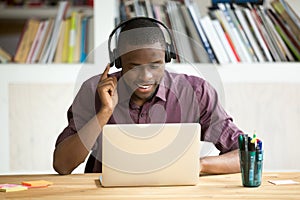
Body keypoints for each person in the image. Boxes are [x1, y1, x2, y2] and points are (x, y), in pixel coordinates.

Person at [53, 17, 243, 175]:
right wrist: (104, 112)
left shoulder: (195, 92)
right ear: (118, 61)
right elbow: (62, 165)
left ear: (167, 57)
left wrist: (198, 165)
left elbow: (244, 155)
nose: (146, 77)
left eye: (155, 65)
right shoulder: (94, 90)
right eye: (134, 66)